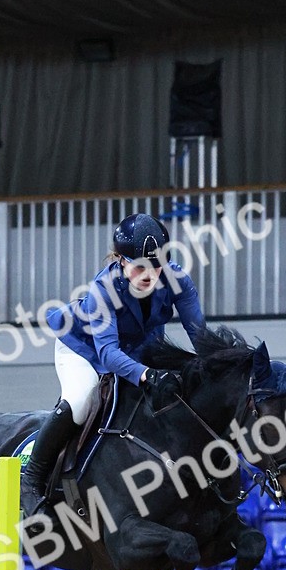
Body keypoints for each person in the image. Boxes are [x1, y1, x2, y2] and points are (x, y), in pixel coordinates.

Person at [20, 212, 207, 517]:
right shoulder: (103, 289)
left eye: (156, 266)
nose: (148, 274)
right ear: (121, 260)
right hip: (83, 348)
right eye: (139, 267)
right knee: (82, 400)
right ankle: (32, 479)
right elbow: (107, 353)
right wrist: (147, 375)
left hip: (137, 349)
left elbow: (199, 335)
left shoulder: (178, 281)